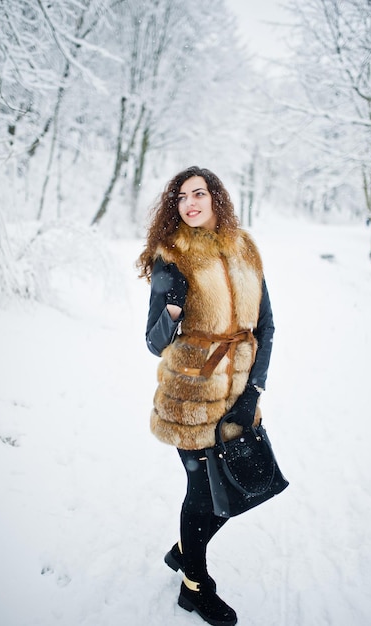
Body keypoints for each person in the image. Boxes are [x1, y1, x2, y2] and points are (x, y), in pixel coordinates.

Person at [137, 166, 274, 626]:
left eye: (198, 193)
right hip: (191, 396)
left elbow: (267, 326)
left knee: (237, 490)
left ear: (216, 197)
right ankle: (196, 588)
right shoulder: (171, 255)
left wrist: (253, 390)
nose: (189, 203)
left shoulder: (245, 248)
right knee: (201, 495)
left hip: (238, 393)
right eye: (180, 197)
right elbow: (154, 342)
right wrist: (172, 308)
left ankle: (182, 550)